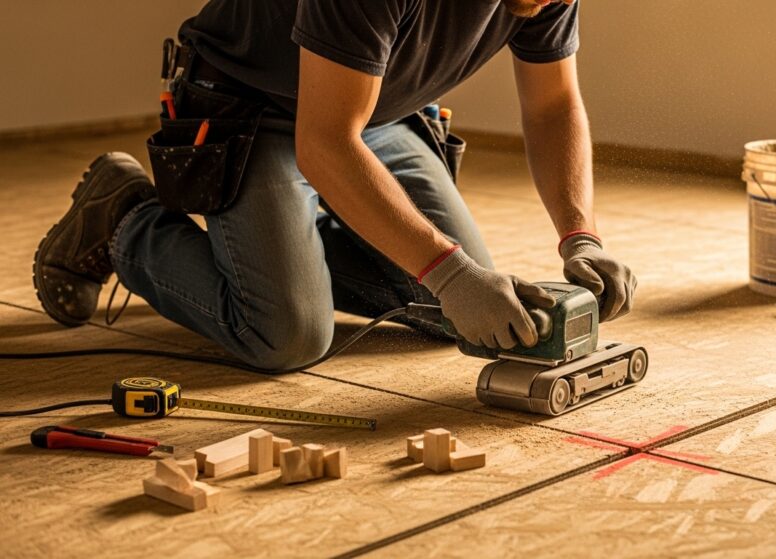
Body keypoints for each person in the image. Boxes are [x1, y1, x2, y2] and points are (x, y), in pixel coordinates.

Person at [33, 0, 637, 370]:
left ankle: (287, 245)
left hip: (374, 113)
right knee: (286, 334)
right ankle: (125, 218)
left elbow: (553, 107)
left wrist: (580, 237)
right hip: (253, 105)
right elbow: (325, 143)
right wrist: (450, 274)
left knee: (458, 311)